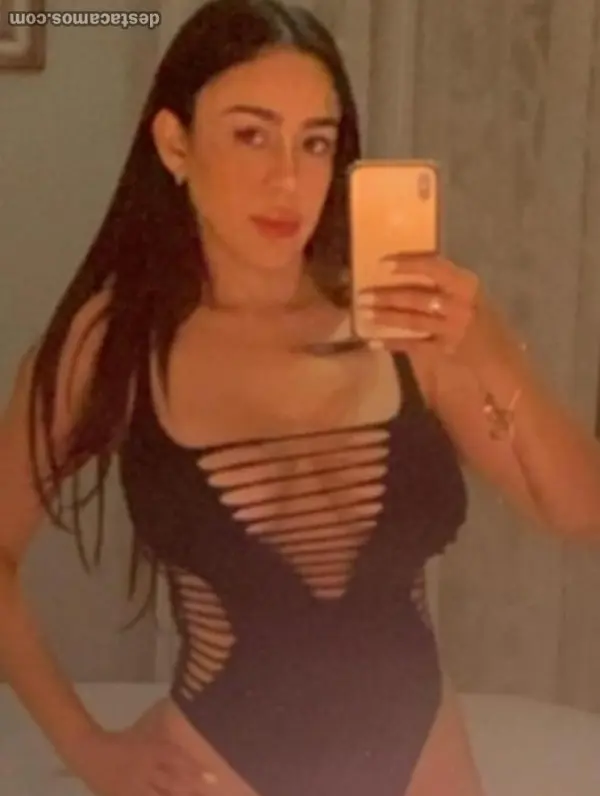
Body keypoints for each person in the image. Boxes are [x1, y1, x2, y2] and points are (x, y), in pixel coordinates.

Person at [2, 1, 600, 794]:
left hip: (425, 761)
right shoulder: (114, 342)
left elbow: (581, 512)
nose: (287, 178)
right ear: (175, 144)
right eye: (251, 135)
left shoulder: (402, 322)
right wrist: (85, 746)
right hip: (223, 766)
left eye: (314, 141)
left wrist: (491, 349)